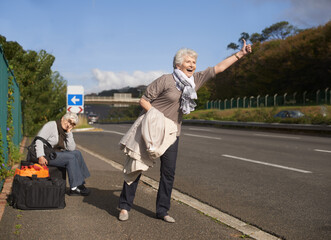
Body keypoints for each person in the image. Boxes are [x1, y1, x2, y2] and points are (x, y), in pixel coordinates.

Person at [118, 40, 252, 223]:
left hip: (172, 133)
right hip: (151, 129)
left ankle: (162, 211)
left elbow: (219, 68)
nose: (192, 65)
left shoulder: (194, 81)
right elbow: (143, 100)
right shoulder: (165, 80)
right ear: (178, 64)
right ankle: (125, 207)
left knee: (168, 172)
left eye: (194, 62)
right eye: (188, 62)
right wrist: (157, 118)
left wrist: (241, 54)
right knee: (136, 167)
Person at [36, 112, 91, 196]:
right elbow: (39, 140)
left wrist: (69, 132)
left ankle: (79, 183)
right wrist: (40, 156)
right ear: (62, 118)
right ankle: (74, 188)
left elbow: (71, 148)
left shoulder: (65, 131)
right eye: (69, 121)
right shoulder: (51, 125)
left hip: (55, 153)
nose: (69, 124)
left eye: (72, 124)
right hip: (46, 154)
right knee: (70, 158)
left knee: (77, 153)